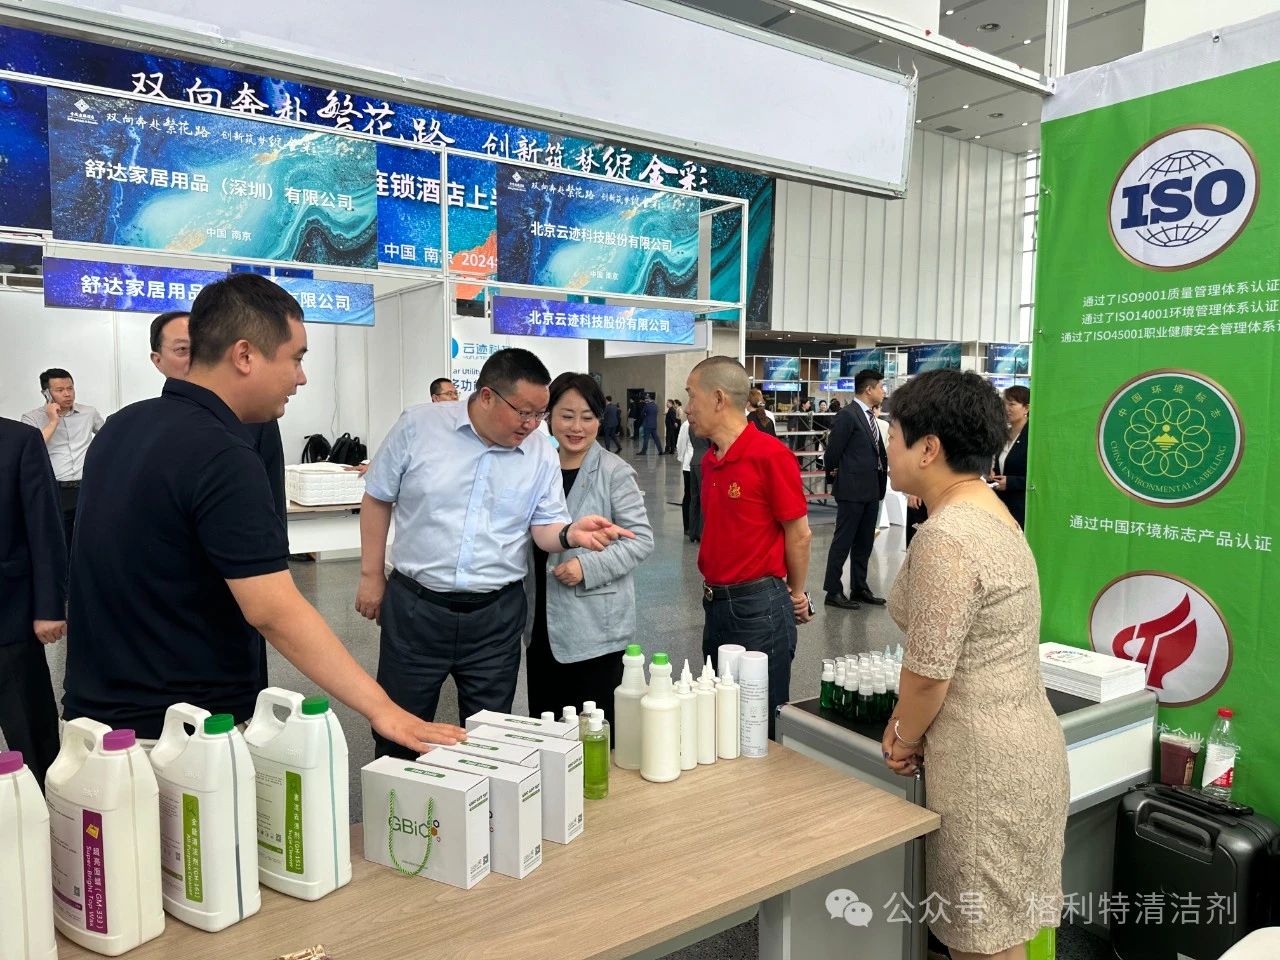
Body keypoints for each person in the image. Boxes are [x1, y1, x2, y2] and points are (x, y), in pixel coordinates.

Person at [62, 273, 465, 754]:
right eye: (296, 358)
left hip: (94, 716)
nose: (301, 377)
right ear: (245, 355)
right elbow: (273, 608)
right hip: (184, 731)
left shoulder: (122, 425)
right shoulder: (222, 453)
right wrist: (384, 709)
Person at [356, 347, 633, 759]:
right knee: (400, 731)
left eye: (539, 414)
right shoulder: (419, 426)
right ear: (487, 396)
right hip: (417, 610)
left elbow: (544, 528)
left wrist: (570, 533)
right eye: (524, 412)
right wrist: (371, 576)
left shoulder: (540, 451)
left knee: (488, 738)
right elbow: (378, 497)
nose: (532, 424)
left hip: (495, 618)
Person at [880, 369, 1067, 960]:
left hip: (984, 765)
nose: (889, 447)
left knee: (982, 941)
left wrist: (904, 734)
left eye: (894, 435)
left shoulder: (949, 536)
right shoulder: (990, 511)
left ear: (928, 448)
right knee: (1005, 933)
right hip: (1024, 742)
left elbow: (930, 671)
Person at [149, 308, 284, 688]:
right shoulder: (135, 426)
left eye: (201, 348)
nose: (194, 360)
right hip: (169, 596)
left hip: (241, 579)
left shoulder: (256, 421)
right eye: (182, 350)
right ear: (157, 361)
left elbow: (272, 503)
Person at [685, 356, 812, 739]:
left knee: (760, 722)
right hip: (715, 604)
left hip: (759, 608)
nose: (687, 408)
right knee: (722, 716)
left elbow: (799, 534)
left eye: (691, 396)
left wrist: (796, 593)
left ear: (718, 398)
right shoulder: (711, 460)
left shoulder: (769, 455)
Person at [527, 373, 654, 729]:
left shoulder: (614, 472)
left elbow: (640, 539)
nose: (577, 427)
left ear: (600, 419)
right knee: (548, 724)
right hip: (539, 620)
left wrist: (587, 567)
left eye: (587, 417)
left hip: (594, 626)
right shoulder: (539, 467)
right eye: (566, 416)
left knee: (594, 729)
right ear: (549, 416)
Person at [0, 416, 67, 788]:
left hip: (8, 613)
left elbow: (45, 527)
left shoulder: (19, 441)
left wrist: (49, 607)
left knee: (30, 731)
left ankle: (48, 807)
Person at [822, 369, 888, 610]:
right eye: (880, 387)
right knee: (843, 541)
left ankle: (859, 587)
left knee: (864, 542)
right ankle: (833, 590)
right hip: (851, 490)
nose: (883, 391)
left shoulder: (870, 417)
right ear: (869, 389)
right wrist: (838, 478)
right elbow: (832, 453)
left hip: (871, 488)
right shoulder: (847, 415)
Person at [21, 368, 104, 548]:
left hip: (87, 485)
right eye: (60, 390)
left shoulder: (89, 413)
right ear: (46, 393)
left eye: (70, 388)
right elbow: (32, 449)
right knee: (60, 540)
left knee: (91, 537)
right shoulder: (31, 418)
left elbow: (107, 438)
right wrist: (53, 421)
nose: (67, 394)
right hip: (55, 489)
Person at [991, 386, 1030, 529]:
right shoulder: (1003, 434)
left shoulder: (1032, 437)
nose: (1006, 409)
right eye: (1004, 404)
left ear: (1026, 408)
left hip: (1022, 508)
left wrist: (1012, 482)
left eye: (1012, 404)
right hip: (1001, 505)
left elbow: (1040, 477)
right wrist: (992, 473)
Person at [676, 416, 693, 535]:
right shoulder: (686, 425)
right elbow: (681, 444)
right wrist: (682, 458)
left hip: (693, 463)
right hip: (689, 465)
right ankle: (687, 525)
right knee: (689, 495)